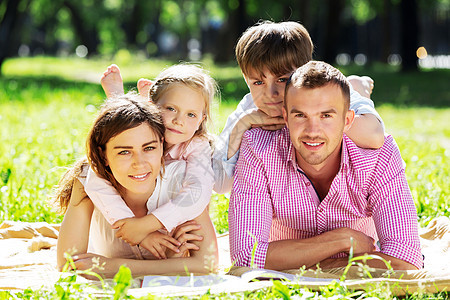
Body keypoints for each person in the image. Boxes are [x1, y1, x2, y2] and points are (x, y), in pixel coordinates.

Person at [229, 61, 423, 271]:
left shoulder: (380, 156)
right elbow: (247, 257)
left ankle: (358, 90)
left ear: (348, 120)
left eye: (326, 116)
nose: (313, 131)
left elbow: (407, 260)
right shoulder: (258, 149)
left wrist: (303, 265)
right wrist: (341, 240)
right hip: (358, 258)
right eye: (300, 115)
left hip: (284, 259)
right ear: (286, 117)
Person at [212, 21, 385, 194]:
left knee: (349, 93)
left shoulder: (329, 94)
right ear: (245, 79)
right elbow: (219, 185)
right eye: (258, 82)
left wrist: (318, 117)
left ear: (305, 71)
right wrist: (242, 124)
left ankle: (357, 87)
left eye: (282, 79)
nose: (270, 93)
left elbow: (375, 136)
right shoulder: (248, 108)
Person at [56, 94, 218, 277]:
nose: (139, 164)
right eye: (125, 152)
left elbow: (208, 264)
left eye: (149, 148)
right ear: (103, 156)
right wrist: (173, 266)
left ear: (161, 145)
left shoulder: (182, 182)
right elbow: (69, 263)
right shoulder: (88, 181)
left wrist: (113, 267)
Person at [84, 64, 217, 259]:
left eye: (191, 114)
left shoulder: (197, 145)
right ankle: (118, 99)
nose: (179, 121)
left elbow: (198, 192)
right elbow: (97, 175)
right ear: (153, 107)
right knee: (124, 127)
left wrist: (147, 225)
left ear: (201, 119)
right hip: (135, 206)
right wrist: (131, 226)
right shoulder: (144, 134)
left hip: (171, 213)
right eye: (171, 109)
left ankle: (122, 99)